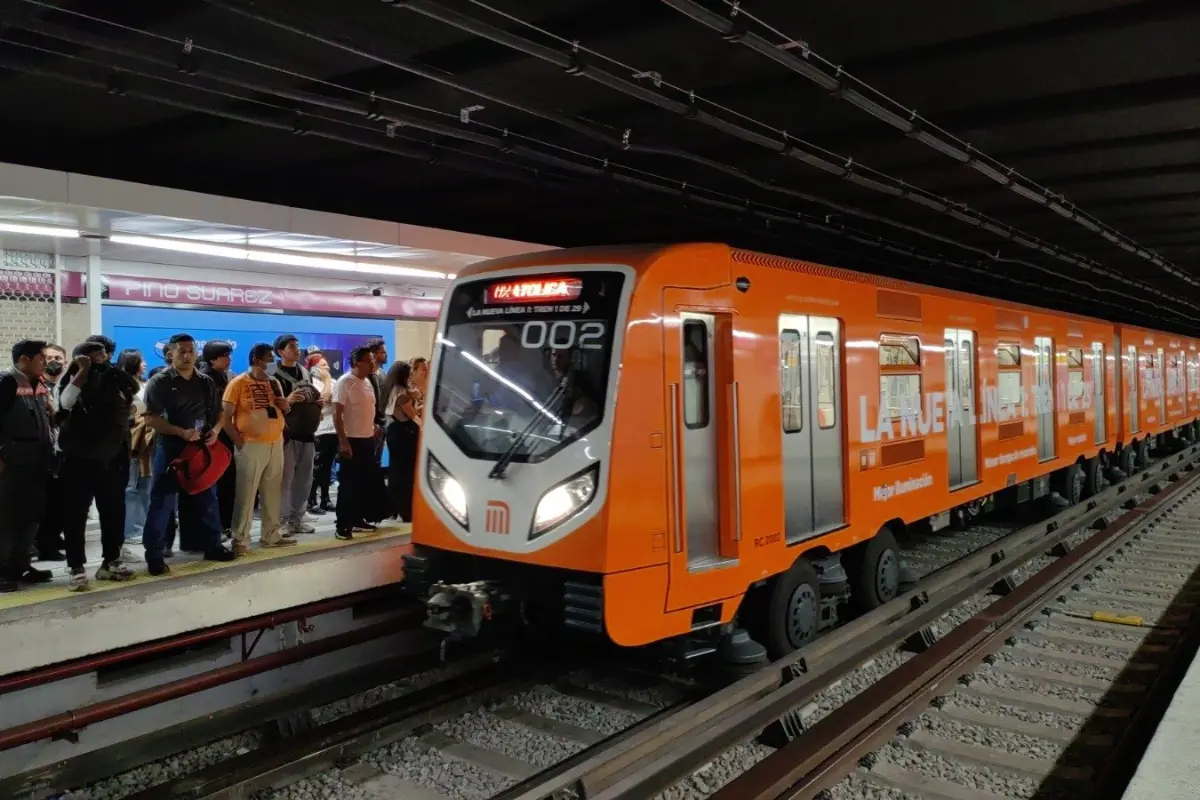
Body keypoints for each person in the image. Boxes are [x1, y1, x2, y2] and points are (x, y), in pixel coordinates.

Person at [140, 333, 237, 575]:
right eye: (181, 351)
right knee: (161, 502)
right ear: (170, 353)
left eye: (190, 351)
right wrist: (180, 432)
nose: (186, 355)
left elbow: (220, 413)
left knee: (207, 499)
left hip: (200, 449)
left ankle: (213, 545)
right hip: (171, 449)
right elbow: (151, 419)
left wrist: (215, 431)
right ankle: (154, 555)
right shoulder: (159, 382)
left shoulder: (205, 381)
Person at [57, 341, 138, 590]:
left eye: (103, 355)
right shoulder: (70, 380)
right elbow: (66, 402)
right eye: (93, 357)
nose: (100, 359)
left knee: (113, 512)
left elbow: (133, 393)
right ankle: (76, 566)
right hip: (77, 460)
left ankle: (111, 562)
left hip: (112, 459)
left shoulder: (116, 379)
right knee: (75, 516)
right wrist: (82, 370)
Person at [223, 343, 297, 554]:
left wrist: (285, 406)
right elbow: (226, 417)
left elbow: (281, 409)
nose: (273, 363)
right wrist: (239, 442)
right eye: (269, 359)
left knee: (272, 492)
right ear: (256, 360)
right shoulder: (237, 383)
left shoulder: (274, 382)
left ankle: (271, 534)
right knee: (246, 494)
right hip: (251, 444)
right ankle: (240, 540)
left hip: (276, 442)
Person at [0, 340, 54, 592]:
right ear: (24, 359)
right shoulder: (7, 383)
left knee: (32, 515)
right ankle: (2, 571)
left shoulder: (40, 384)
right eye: (41, 358)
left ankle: (21, 565)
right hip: (12, 461)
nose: (46, 362)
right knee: (7, 517)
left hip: (38, 460)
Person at [272, 335, 321, 536]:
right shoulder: (270, 370)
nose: (296, 350)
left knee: (304, 478)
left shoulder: (304, 371)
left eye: (297, 346)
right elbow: (264, 401)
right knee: (284, 479)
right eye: (291, 347)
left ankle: (297, 518)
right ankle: (280, 520)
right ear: (280, 351)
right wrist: (288, 400)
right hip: (284, 433)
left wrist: (316, 403)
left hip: (307, 431)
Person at [332, 346, 378, 540]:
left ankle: (357, 519)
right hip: (351, 440)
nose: (373, 364)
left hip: (368, 438)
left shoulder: (367, 382)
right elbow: (337, 413)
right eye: (369, 360)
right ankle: (342, 524)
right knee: (348, 484)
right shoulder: (345, 382)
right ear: (357, 362)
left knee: (362, 482)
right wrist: (343, 441)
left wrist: (373, 426)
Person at [199, 341, 236, 539]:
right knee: (214, 485)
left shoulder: (227, 376)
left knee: (227, 483)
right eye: (225, 356)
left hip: (226, 435)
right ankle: (215, 527)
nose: (229, 360)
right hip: (211, 437)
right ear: (213, 359)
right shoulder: (205, 379)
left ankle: (225, 524)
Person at [35, 343, 67, 561]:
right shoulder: (36, 386)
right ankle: (43, 544)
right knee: (43, 502)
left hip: (63, 451)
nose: (53, 361)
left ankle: (53, 537)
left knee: (59, 501)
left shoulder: (66, 386)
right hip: (41, 451)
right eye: (49, 357)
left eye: (58, 357)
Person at [121, 349, 151, 562]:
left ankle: (143, 526)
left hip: (147, 446)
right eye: (142, 361)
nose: (145, 364)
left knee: (145, 485)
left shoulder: (146, 385)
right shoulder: (122, 387)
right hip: (129, 445)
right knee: (130, 488)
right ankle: (131, 531)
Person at [383, 361, 421, 522]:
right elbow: (411, 416)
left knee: (396, 472)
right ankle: (406, 510)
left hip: (393, 432)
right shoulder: (402, 394)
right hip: (404, 434)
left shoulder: (390, 390)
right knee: (406, 474)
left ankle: (393, 508)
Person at [307, 349, 337, 515]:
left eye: (327, 365)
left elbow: (337, 401)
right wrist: (326, 381)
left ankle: (326, 499)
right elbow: (323, 400)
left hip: (333, 428)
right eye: (323, 366)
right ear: (314, 368)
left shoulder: (332, 381)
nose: (327, 369)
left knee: (327, 468)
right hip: (320, 430)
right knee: (317, 468)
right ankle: (311, 500)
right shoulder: (311, 383)